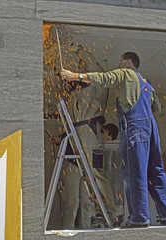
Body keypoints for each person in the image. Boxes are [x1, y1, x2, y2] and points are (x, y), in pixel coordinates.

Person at [60, 51, 166, 228]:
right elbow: (157, 107)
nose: (119, 64)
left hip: (135, 127)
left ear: (129, 62)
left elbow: (105, 78)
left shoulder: (126, 73)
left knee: (133, 173)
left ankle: (139, 218)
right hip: (151, 129)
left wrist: (76, 75)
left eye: (121, 61)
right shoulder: (146, 82)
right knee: (155, 170)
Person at [57, 59, 117, 229]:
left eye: (83, 67)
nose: (81, 68)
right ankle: (95, 213)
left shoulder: (97, 82)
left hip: (91, 131)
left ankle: (109, 212)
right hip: (79, 131)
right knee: (85, 173)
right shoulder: (77, 90)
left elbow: (97, 77)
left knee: (97, 172)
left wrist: (81, 73)